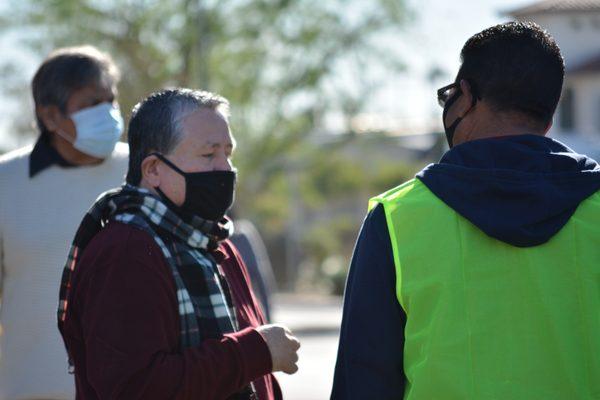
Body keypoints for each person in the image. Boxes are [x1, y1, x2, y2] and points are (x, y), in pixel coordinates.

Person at [332, 21, 600, 399]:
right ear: (550, 116)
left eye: (449, 96)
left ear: (468, 97)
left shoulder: (396, 220)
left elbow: (362, 384)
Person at [57, 88, 300, 400]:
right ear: (154, 170)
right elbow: (136, 388)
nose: (225, 168)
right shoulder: (125, 252)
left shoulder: (217, 245)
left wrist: (258, 356)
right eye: (208, 154)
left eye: (228, 153)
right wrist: (256, 351)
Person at [0, 45, 128, 400]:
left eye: (110, 99)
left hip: (129, 387)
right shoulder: (5, 181)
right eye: (90, 104)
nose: (108, 113)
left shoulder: (146, 171)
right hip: (30, 388)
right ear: (51, 116)